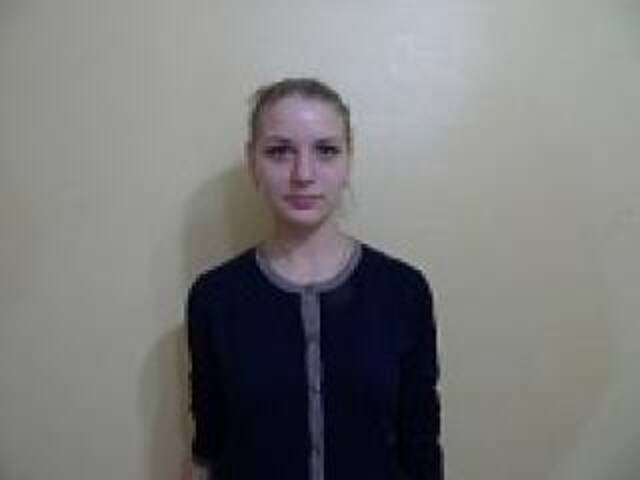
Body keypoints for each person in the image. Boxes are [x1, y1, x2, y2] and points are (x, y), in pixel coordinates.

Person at [185, 78, 443, 480]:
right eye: (279, 151)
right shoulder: (214, 298)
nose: (303, 174)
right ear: (252, 161)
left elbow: (421, 443)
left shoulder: (403, 292)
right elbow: (210, 446)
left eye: (325, 150)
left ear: (349, 159)